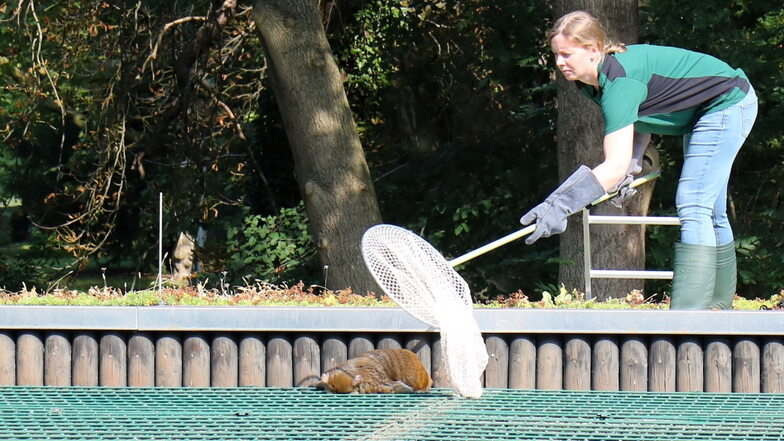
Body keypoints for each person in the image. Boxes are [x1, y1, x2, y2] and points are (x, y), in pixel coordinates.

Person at [519, 10, 758, 309]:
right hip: (701, 111)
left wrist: (561, 204)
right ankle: (717, 307)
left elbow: (613, 165)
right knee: (710, 209)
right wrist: (633, 162)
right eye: (556, 54)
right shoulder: (592, 82)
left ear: (593, 50)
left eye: (566, 54)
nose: (559, 62)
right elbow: (642, 114)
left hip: (726, 103)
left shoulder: (619, 82)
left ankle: (688, 318)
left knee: (694, 202)